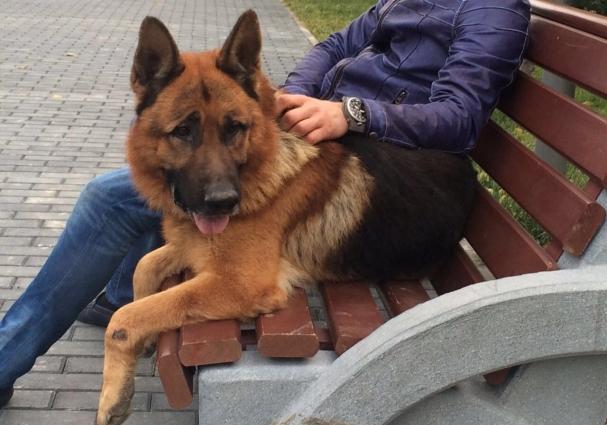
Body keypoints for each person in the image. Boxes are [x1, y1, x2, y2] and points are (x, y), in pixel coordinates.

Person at [0, 0, 530, 408]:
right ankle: (120, 294)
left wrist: (351, 113)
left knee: (109, 199)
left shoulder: (493, 9)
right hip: (323, 132)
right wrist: (274, 98)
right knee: (161, 194)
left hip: (382, 155)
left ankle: (18, 353)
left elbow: (461, 117)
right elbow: (335, 45)